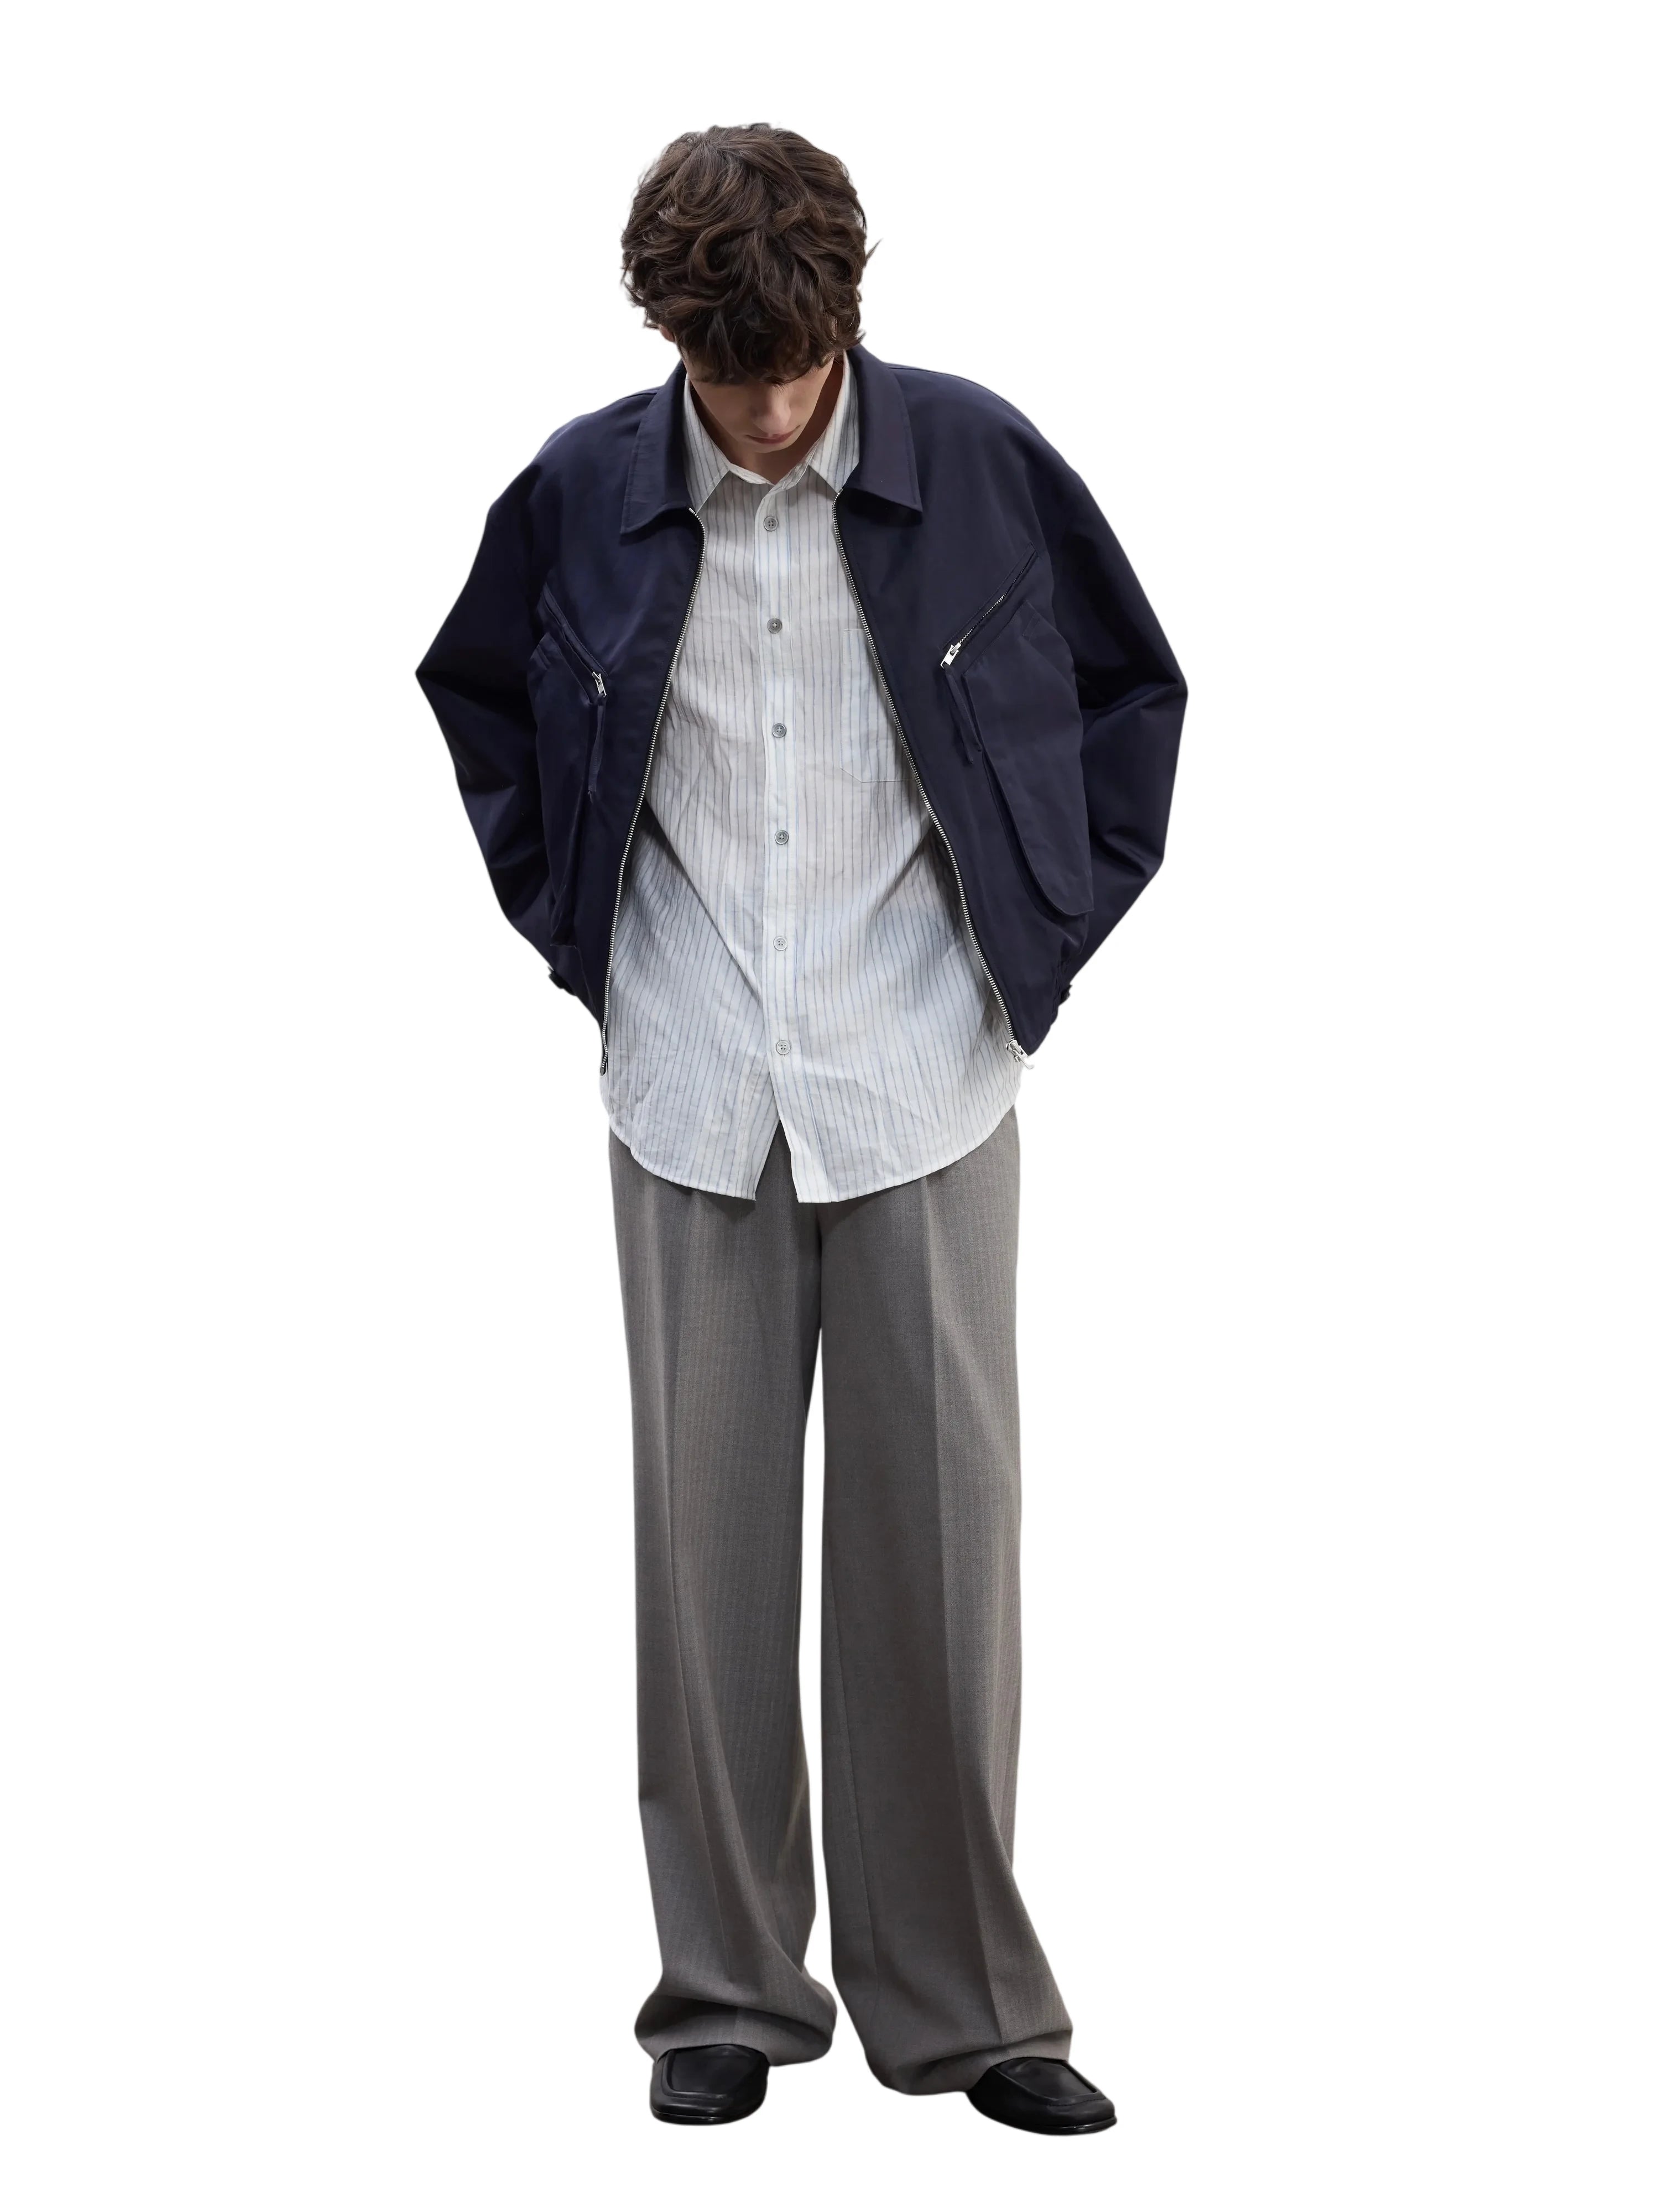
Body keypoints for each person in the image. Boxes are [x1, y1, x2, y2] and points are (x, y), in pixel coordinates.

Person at [415, 123, 1186, 2135]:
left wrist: (1032, 937)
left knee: (945, 1561)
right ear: (667, 336)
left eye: (794, 370)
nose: (764, 415)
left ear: (849, 315)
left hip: (922, 1071)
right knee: (708, 1562)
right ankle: (729, 1990)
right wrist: (589, 937)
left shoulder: (981, 464)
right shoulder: (581, 493)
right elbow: (482, 701)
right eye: (723, 374)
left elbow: (1133, 695)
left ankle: (971, 2008)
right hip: (691, 1085)